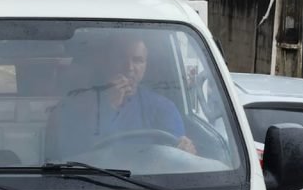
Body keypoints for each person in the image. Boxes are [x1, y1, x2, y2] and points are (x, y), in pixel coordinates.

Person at [46, 33, 195, 159]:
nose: (129, 67)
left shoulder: (162, 107)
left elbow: (178, 157)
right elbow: (66, 155)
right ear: (107, 62)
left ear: (145, 65)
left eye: (137, 60)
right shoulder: (76, 105)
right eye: (121, 58)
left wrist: (187, 150)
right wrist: (106, 106)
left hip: (149, 186)